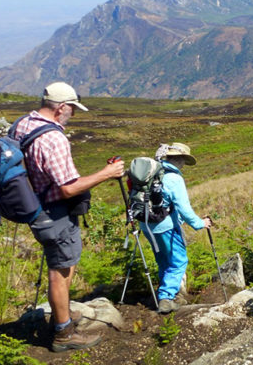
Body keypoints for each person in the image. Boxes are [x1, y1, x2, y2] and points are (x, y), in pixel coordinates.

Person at [12, 82, 125, 352]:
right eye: (72, 109)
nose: (72, 114)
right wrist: (106, 174)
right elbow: (68, 188)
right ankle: (63, 333)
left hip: (34, 207)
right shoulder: (54, 138)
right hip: (55, 213)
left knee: (60, 265)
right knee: (61, 272)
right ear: (61, 107)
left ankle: (62, 316)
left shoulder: (23, 124)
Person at [140, 142, 212, 314]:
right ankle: (166, 298)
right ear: (179, 159)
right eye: (184, 161)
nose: (184, 165)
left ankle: (165, 293)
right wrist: (200, 224)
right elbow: (184, 208)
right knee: (179, 261)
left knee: (163, 259)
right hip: (166, 227)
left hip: (146, 225)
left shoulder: (151, 173)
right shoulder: (173, 178)